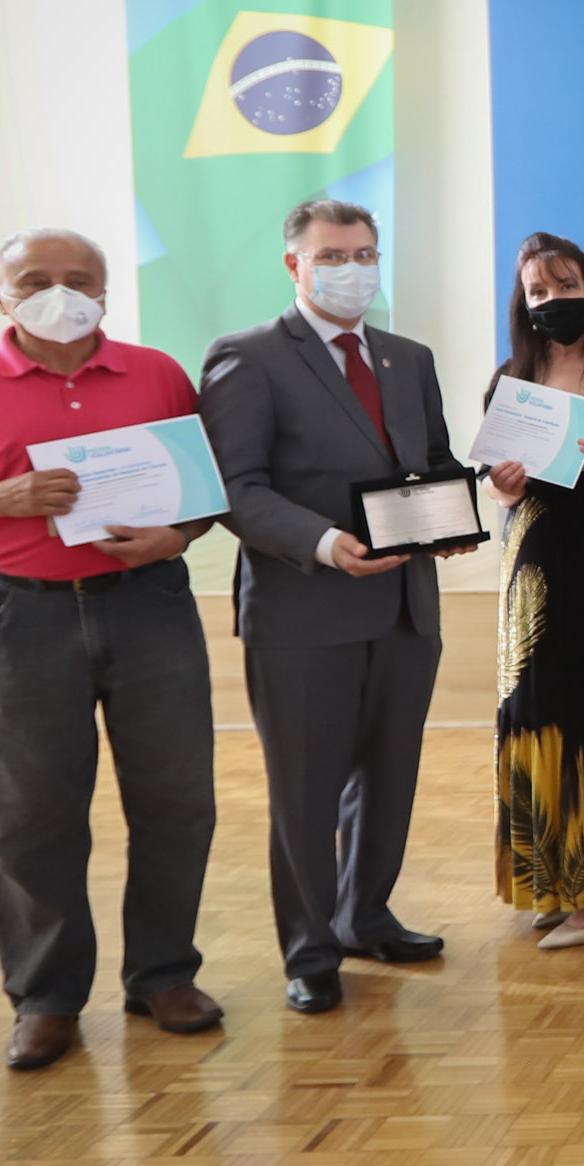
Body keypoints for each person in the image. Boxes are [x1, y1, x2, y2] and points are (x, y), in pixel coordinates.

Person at [0, 229, 221, 1071]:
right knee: (29, 819)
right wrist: (5, 496)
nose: (59, 293)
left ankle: (163, 975)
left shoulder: (158, 375)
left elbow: (205, 496)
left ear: (107, 292)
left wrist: (174, 537)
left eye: (80, 279)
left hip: (148, 609)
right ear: (0, 295)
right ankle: (45, 998)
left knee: (177, 802)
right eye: (34, 280)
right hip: (17, 618)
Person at [202, 199, 470, 1016]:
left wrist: (465, 504)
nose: (352, 269)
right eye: (333, 255)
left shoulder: (406, 357)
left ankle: (367, 915)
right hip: (304, 611)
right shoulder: (246, 358)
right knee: (307, 792)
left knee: (389, 781)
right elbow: (235, 490)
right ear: (295, 264)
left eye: (364, 254)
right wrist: (324, 544)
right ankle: (311, 949)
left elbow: (428, 463)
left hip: (403, 611)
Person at [481, 233, 584, 950]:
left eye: (565, 285)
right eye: (538, 291)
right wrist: (501, 484)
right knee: (534, 710)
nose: (554, 301)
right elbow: (492, 484)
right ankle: (552, 879)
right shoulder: (509, 381)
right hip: (532, 573)